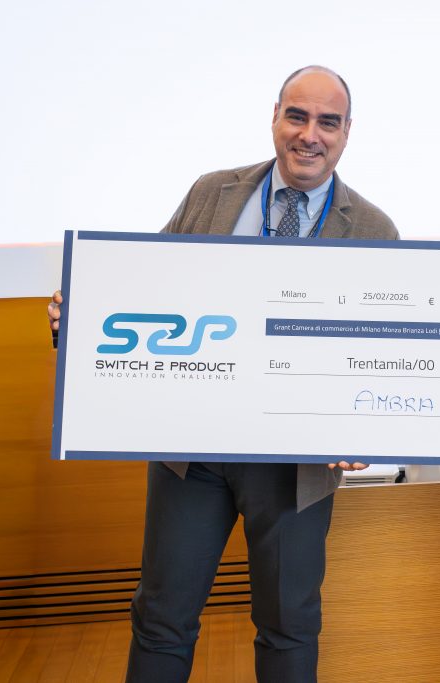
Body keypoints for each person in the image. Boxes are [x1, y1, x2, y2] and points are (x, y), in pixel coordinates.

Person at [47, 65, 398, 683]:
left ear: (347, 133)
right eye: (297, 116)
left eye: (327, 122)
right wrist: (81, 312)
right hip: (193, 453)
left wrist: (366, 421)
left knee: (289, 627)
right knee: (161, 618)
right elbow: (146, 284)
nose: (309, 135)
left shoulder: (373, 228)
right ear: (275, 117)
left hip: (296, 465)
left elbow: (384, 346)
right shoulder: (212, 193)